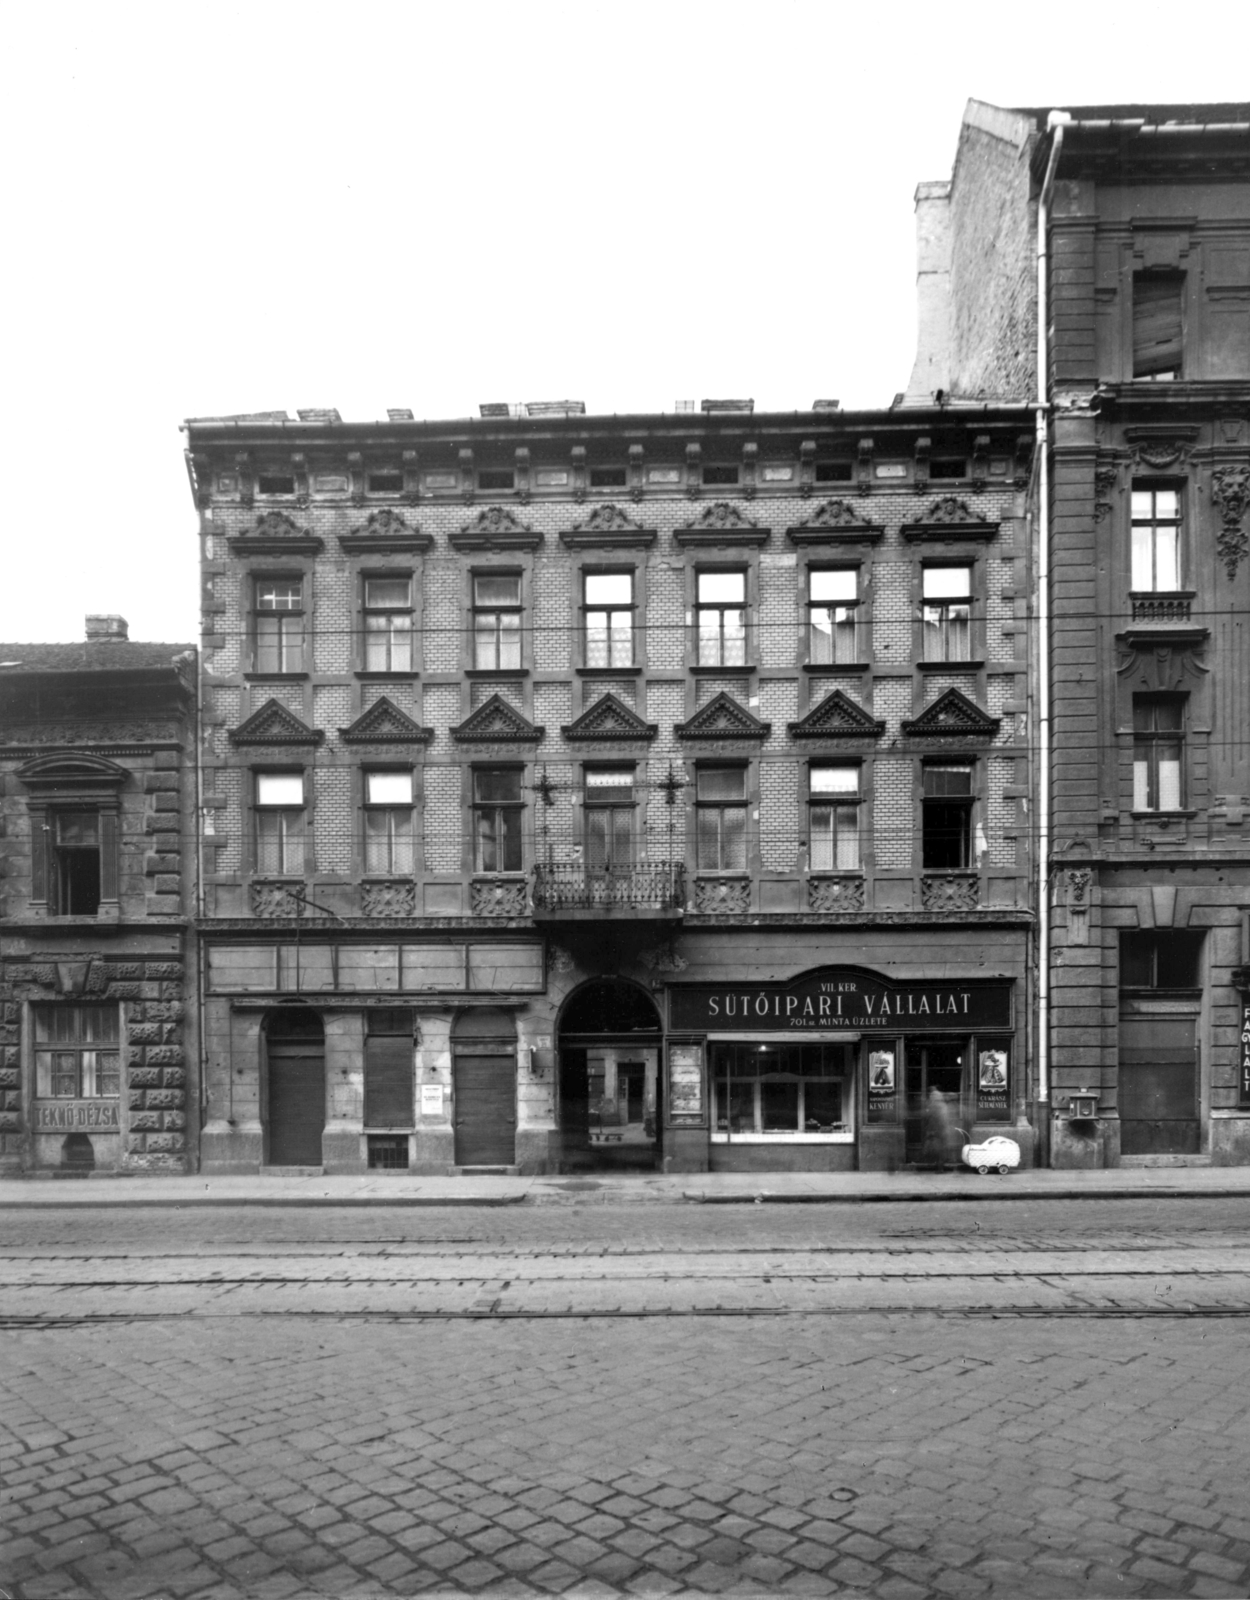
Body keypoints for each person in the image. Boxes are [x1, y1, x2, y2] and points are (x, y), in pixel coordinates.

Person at [922, 1086, 956, 1172]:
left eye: (932, 1096)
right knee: (941, 1149)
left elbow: (931, 1118)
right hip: (943, 1130)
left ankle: (939, 1166)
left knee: (937, 1149)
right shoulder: (943, 1105)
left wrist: (931, 1131)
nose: (931, 1097)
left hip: (938, 1131)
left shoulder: (933, 1106)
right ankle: (940, 1166)